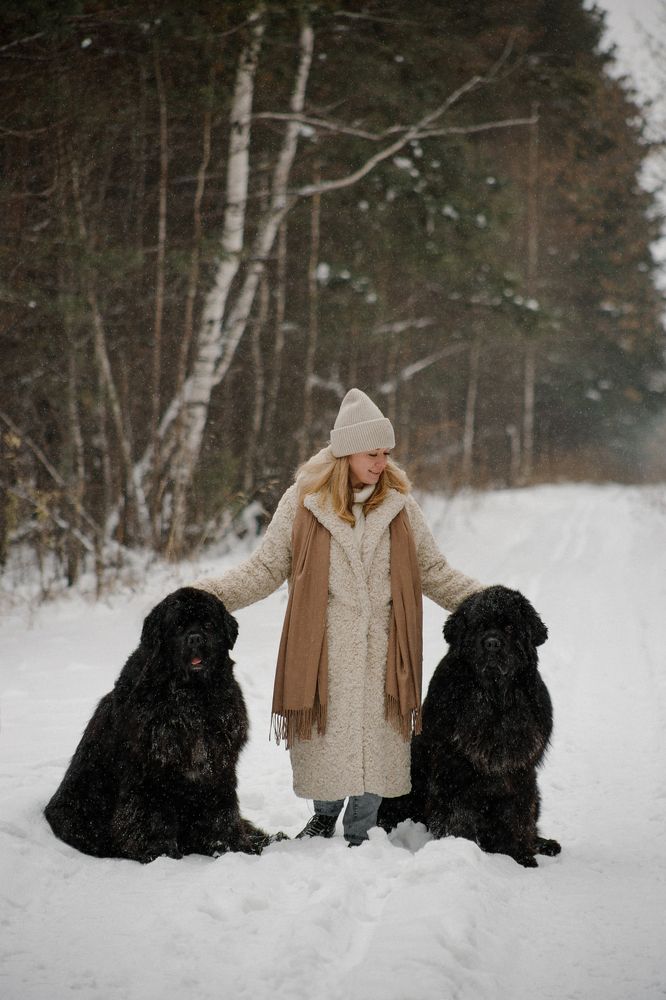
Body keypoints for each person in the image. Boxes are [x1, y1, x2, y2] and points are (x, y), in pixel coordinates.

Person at [194, 388, 484, 846]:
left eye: (386, 453)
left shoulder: (400, 506)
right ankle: (323, 816)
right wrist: (206, 595)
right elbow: (265, 569)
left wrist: (487, 601)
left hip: (387, 650)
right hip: (322, 650)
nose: (381, 463)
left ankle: (361, 828)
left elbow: (433, 572)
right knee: (325, 739)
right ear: (346, 453)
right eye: (372, 454)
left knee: (378, 741)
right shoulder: (302, 502)